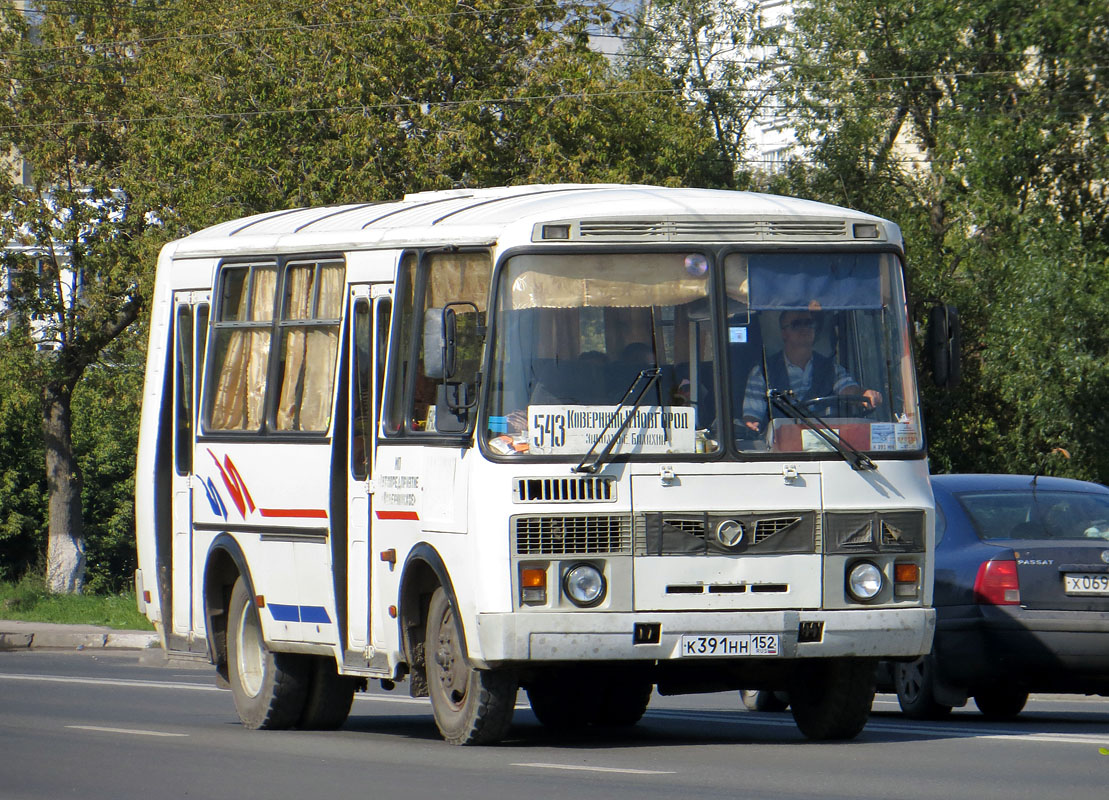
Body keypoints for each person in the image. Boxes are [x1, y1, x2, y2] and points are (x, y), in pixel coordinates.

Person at [742, 310, 882, 433]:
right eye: (797, 324)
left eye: (809, 323)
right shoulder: (762, 372)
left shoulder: (831, 369)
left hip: (830, 448)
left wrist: (863, 394)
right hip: (781, 453)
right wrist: (752, 426)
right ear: (784, 333)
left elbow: (848, 389)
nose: (805, 328)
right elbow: (752, 418)